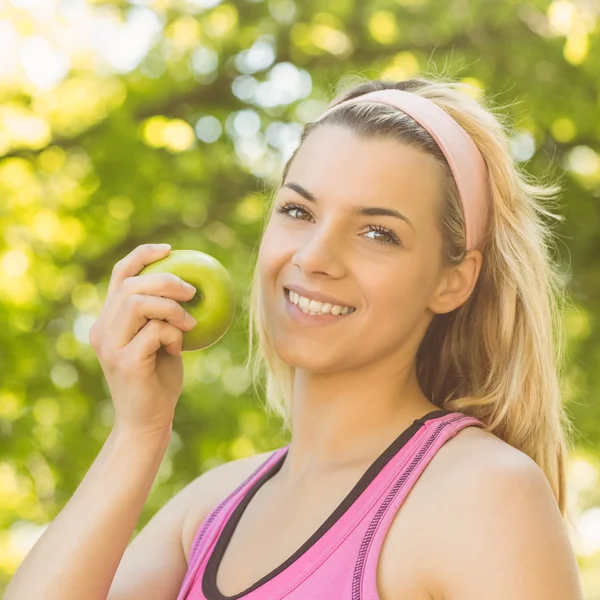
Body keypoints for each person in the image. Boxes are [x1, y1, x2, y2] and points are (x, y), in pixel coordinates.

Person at [5, 76, 584, 600]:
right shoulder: (209, 512)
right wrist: (139, 431)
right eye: (299, 211)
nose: (314, 257)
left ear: (452, 281)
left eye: (378, 233)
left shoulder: (483, 496)